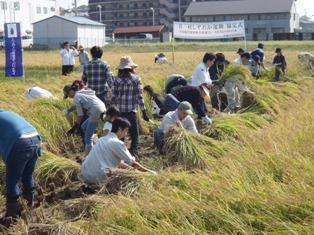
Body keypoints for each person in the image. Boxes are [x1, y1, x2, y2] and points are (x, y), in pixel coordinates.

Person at [81, 118, 156, 184]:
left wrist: (135, 171)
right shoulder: (117, 143)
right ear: (120, 129)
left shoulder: (101, 139)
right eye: (126, 131)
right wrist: (149, 172)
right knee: (128, 177)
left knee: (127, 170)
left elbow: (120, 163)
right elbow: (133, 163)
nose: (126, 134)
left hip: (85, 174)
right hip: (99, 177)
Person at [0, 110, 42, 218]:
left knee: (12, 180)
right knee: (28, 175)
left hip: (21, 142)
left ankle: (12, 216)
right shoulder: (6, 113)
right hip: (36, 139)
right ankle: (29, 207)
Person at [111, 56, 150, 156]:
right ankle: (134, 154)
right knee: (134, 135)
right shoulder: (136, 79)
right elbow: (140, 97)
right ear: (131, 68)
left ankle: (119, 154)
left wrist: (111, 112)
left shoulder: (116, 80)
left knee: (119, 135)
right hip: (131, 112)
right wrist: (144, 112)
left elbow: (113, 97)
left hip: (119, 113)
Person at [63, 83, 106, 154]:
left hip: (95, 112)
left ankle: (90, 154)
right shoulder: (81, 92)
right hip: (101, 107)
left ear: (70, 91)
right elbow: (79, 105)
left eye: (68, 95)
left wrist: (74, 127)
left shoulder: (76, 97)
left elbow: (80, 115)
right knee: (83, 127)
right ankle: (93, 143)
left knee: (87, 138)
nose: (69, 97)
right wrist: (69, 110)